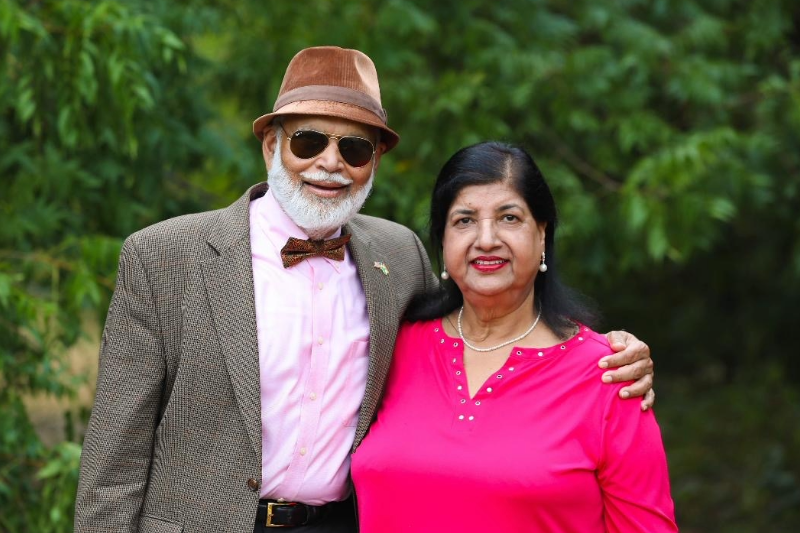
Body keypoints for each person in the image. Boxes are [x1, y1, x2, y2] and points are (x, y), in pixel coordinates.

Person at [75, 47, 655, 533]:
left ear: (373, 161)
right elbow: (113, 458)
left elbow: (487, 325)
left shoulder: (398, 257)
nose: (329, 163)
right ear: (271, 146)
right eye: (308, 141)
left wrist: (612, 352)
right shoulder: (165, 256)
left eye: (354, 148)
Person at [351, 141, 677, 532]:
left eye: (509, 218)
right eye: (464, 220)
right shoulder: (390, 345)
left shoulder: (609, 375)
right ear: (442, 242)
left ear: (542, 235)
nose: (486, 238)